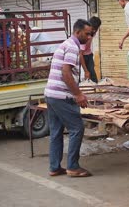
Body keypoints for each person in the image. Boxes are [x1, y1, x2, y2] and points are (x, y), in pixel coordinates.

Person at [44, 19, 93, 178]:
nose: (89, 36)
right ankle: (72, 166)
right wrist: (78, 95)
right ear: (77, 32)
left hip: (51, 94)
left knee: (56, 132)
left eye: (91, 34)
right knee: (77, 128)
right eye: (87, 33)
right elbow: (66, 73)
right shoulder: (72, 47)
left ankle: (54, 167)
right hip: (61, 96)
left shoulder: (66, 44)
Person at [80, 16, 101, 82]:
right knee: (86, 75)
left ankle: (95, 89)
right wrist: (86, 71)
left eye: (96, 29)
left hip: (89, 54)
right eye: (93, 29)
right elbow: (80, 54)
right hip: (81, 56)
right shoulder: (83, 35)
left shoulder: (93, 32)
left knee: (93, 76)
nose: (95, 31)